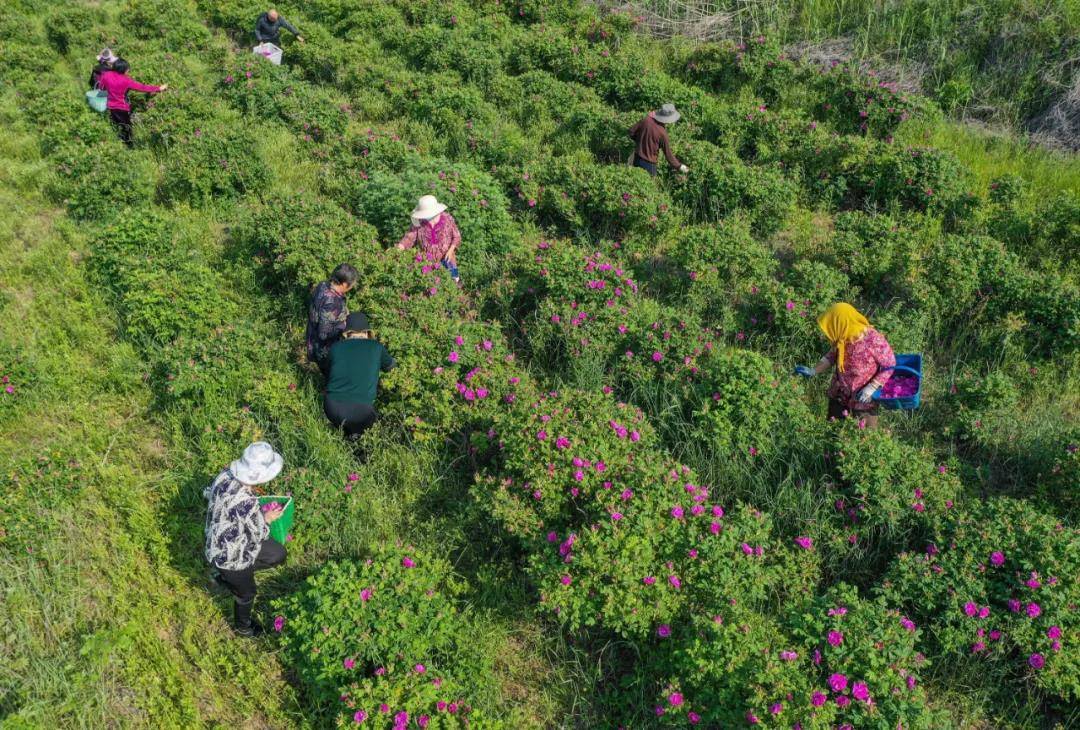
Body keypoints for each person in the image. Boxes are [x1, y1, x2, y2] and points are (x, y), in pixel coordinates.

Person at [204, 442, 288, 636]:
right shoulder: (247, 504)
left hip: (214, 544)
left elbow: (209, 493)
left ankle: (224, 577)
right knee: (247, 593)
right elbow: (260, 534)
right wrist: (266, 518)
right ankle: (243, 628)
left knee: (278, 554)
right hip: (230, 558)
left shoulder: (224, 475)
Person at [794, 302, 896, 429]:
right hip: (840, 395)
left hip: (863, 399)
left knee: (864, 439)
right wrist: (814, 370)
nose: (829, 334)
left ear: (842, 324)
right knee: (834, 435)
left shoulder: (873, 339)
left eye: (832, 328)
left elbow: (890, 364)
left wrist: (872, 387)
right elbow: (831, 356)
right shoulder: (843, 336)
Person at [324, 312, 396, 439]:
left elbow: (328, 371)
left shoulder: (335, 348)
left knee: (345, 435)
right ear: (367, 331)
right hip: (362, 412)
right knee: (361, 438)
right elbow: (390, 366)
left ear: (347, 332)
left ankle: (344, 442)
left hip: (332, 407)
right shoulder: (376, 347)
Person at [96, 58, 166, 147]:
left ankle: (118, 142)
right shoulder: (126, 81)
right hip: (122, 107)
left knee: (117, 125)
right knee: (127, 128)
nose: (128, 71)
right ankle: (129, 146)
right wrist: (158, 88)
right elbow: (142, 87)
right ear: (123, 70)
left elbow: (101, 88)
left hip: (111, 106)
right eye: (127, 69)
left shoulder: (106, 75)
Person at [306, 263, 358, 378]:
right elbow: (324, 333)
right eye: (352, 284)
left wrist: (343, 311)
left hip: (313, 340)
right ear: (344, 284)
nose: (353, 286)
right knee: (334, 379)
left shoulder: (323, 285)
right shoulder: (332, 302)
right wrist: (343, 325)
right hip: (324, 350)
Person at [395, 195, 461, 283]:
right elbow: (408, 238)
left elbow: (456, 236)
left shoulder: (447, 219)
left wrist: (451, 250)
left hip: (447, 259)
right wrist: (397, 250)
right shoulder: (419, 223)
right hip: (428, 262)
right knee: (431, 285)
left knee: (452, 283)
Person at [628, 103, 689, 177]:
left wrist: (640, 142)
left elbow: (631, 131)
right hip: (649, 165)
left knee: (635, 182)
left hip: (637, 158)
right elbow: (668, 155)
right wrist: (679, 166)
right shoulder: (662, 133)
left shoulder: (646, 120)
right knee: (648, 186)